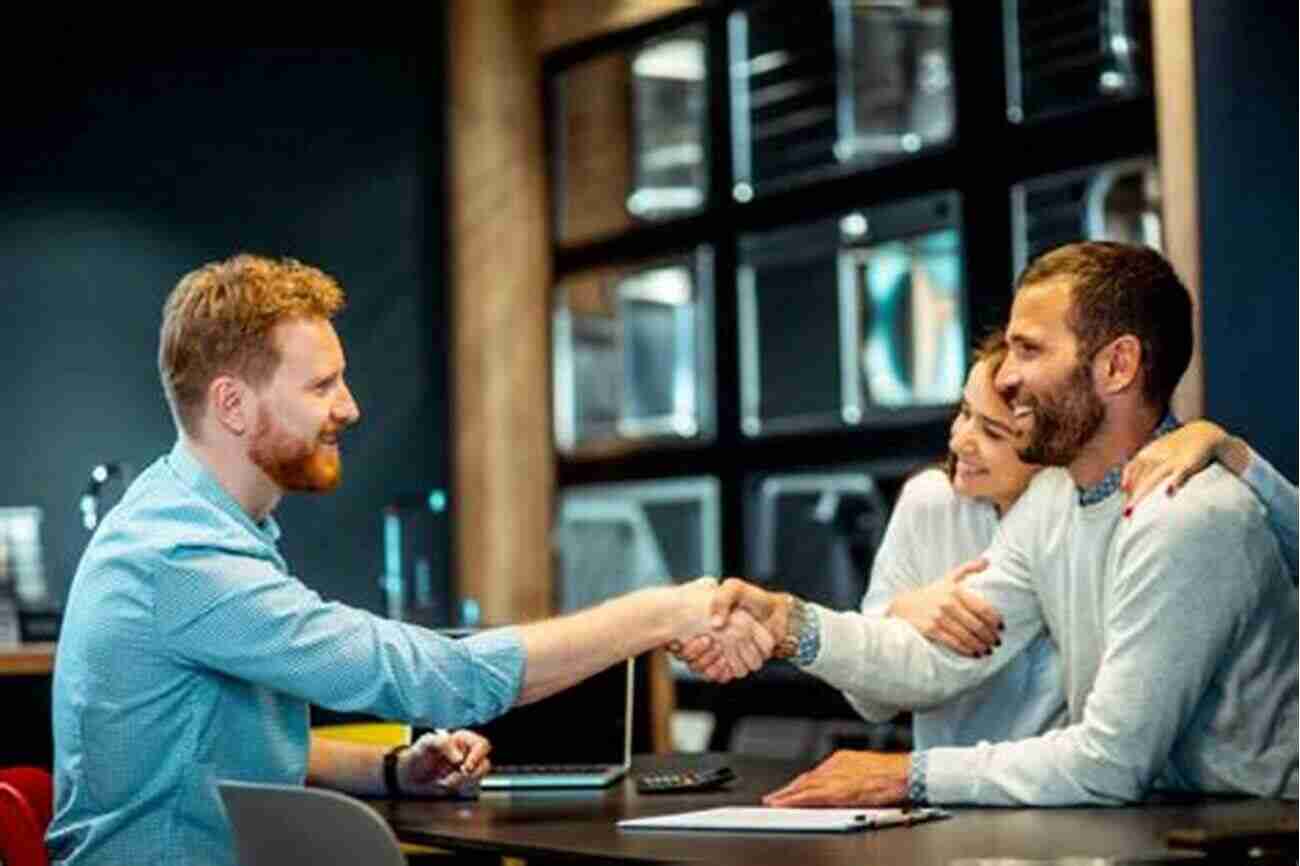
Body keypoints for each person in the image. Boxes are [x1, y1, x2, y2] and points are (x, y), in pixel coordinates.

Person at [47, 254, 767, 866]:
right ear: (233, 405)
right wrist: (659, 612)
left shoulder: (201, 524)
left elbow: (221, 749)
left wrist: (392, 767)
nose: (351, 407)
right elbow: (443, 679)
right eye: (321, 385)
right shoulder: (180, 557)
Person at [695, 241, 1298, 806]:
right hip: (1158, 823)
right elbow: (935, 659)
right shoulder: (1053, 501)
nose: (1005, 377)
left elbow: (1112, 761)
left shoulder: (1189, 514)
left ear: (1118, 366)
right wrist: (788, 624)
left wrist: (909, 773)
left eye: (1030, 349)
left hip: (1254, 832)